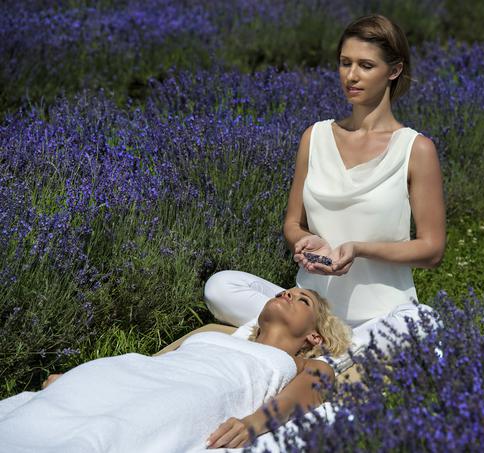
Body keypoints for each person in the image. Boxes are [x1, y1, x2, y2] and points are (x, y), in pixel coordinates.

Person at [204, 14, 446, 368]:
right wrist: (303, 241)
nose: (351, 76)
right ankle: (327, 346)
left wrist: (359, 250)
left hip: (382, 314)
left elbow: (432, 249)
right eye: (345, 63)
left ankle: (317, 354)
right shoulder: (314, 137)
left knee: (420, 319)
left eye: (366, 65)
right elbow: (292, 224)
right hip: (314, 311)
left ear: (393, 71)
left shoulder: (416, 149)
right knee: (220, 285)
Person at [0, 288, 351, 451]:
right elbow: (157, 363)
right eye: (286, 291)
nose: (288, 294)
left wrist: (252, 424)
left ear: (314, 335)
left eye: (301, 299)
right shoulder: (215, 335)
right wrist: (80, 377)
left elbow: (305, 394)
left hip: (199, 393)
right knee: (41, 413)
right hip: (136, 374)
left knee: (112, 433)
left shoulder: (308, 364)